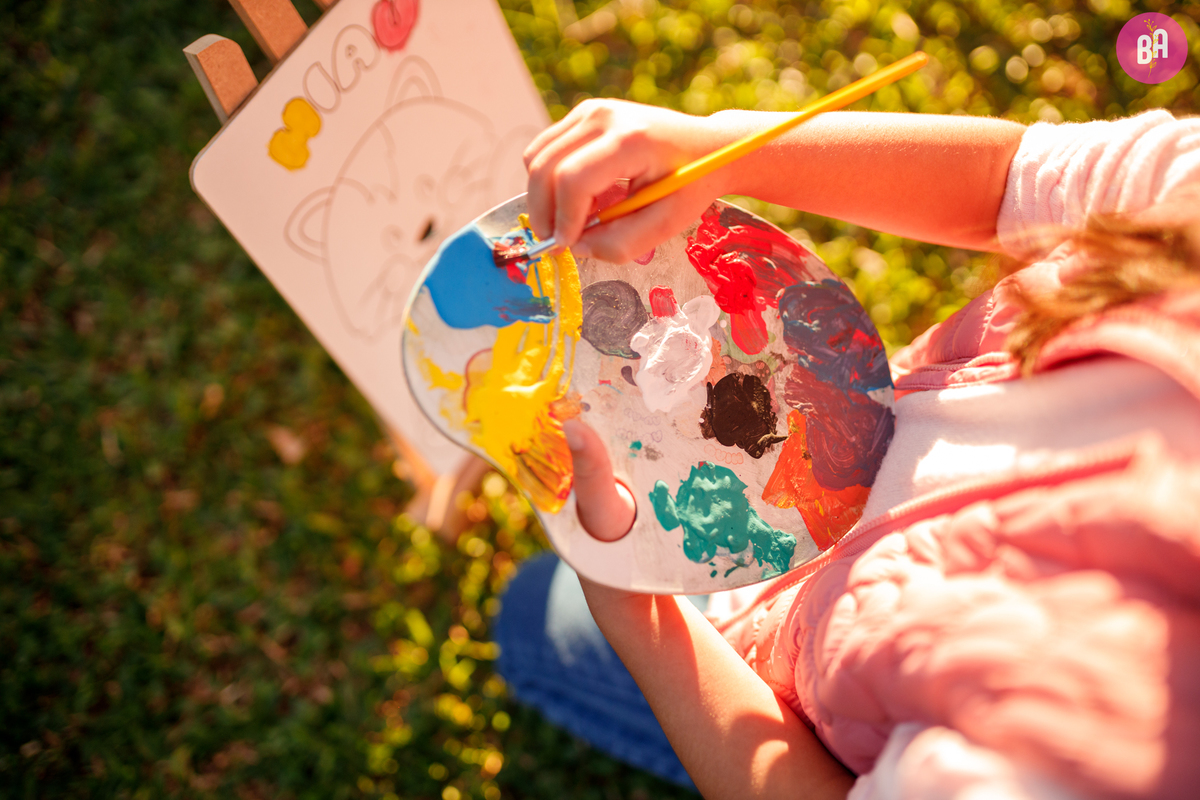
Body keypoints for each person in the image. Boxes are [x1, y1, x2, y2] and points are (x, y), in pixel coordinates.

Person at [492, 99, 1200, 799]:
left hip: (770, 683)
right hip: (784, 519)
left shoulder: (1097, 746)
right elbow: (1007, 180)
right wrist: (717, 148)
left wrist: (631, 612)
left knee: (530, 620)